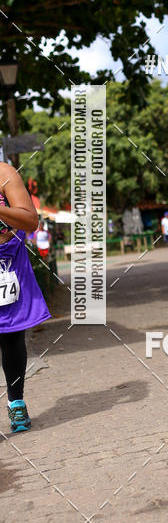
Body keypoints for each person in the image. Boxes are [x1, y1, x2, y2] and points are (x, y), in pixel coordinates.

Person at [0, 163, 51, 432]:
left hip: (7, 262)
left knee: (10, 336)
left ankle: (16, 401)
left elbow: (31, 221)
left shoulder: (4, 174)